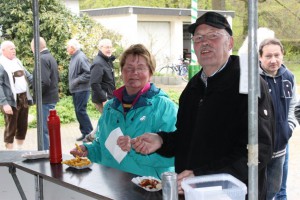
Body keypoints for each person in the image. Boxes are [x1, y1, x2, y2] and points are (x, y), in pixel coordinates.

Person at [131, 12, 275, 199]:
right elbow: (188, 137)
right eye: (198, 38)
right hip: (192, 192)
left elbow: (258, 151)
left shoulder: (247, 83)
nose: (205, 42)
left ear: (229, 43)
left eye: (213, 35)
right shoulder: (193, 86)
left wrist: (203, 176)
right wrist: (162, 141)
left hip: (232, 194)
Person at [70, 44, 178, 178]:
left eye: (141, 68)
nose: (134, 73)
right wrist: (88, 150)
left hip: (147, 189)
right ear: (122, 72)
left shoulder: (165, 108)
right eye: (129, 68)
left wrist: (134, 148)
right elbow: (102, 146)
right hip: (110, 188)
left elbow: (175, 156)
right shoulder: (110, 107)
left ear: (150, 73)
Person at [258, 38, 298, 200]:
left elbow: (294, 106)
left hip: (281, 145)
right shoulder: (252, 79)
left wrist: (288, 128)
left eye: (277, 55)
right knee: (258, 190)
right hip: (258, 148)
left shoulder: (289, 77)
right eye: (268, 56)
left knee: (275, 188)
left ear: (283, 55)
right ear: (260, 57)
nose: (273, 60)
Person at [0, 40, 33, 150]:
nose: (14, 50)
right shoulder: (1, 64)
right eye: (11, 48)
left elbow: (28, 76)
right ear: (3, 50)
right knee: (11, 128)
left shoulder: (17, 61)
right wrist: (4, 103)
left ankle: (19, 151)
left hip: (23, 98)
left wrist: (40, 85)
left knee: (23, 126)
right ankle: (10, 155)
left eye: (14, 48)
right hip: (10, 100)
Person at [83, 39, 116, 142]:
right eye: (106, 47)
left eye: (110, 47)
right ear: (100, 48)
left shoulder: (107, 61)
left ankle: (92, 137)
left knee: (107, 120)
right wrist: (104, 99)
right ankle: (95, 139)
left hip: (109, 97)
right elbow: (94, 83)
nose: (109, 49)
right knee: (110, 121)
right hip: (103, 99)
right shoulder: (98, 63)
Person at [31, 37, 59, 150]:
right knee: (48, 129)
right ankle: (50, 152)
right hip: (51, 97)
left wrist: (35, 96)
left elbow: (44, 82)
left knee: (44, 129)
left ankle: (46, 153)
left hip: (45, 99)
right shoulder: (50, 57)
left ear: (35, 47)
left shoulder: (42, 59)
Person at [66, 39, 93, 141]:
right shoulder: (74, 57)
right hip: (77, 90)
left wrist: (76, 81)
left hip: (82, 89)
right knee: (78, 112)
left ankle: (89, 133)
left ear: (73, 47)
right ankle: (84, 132)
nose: (67, 49)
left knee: (80, 111)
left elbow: (89, 73)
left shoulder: (80, 57)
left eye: (68, 47)